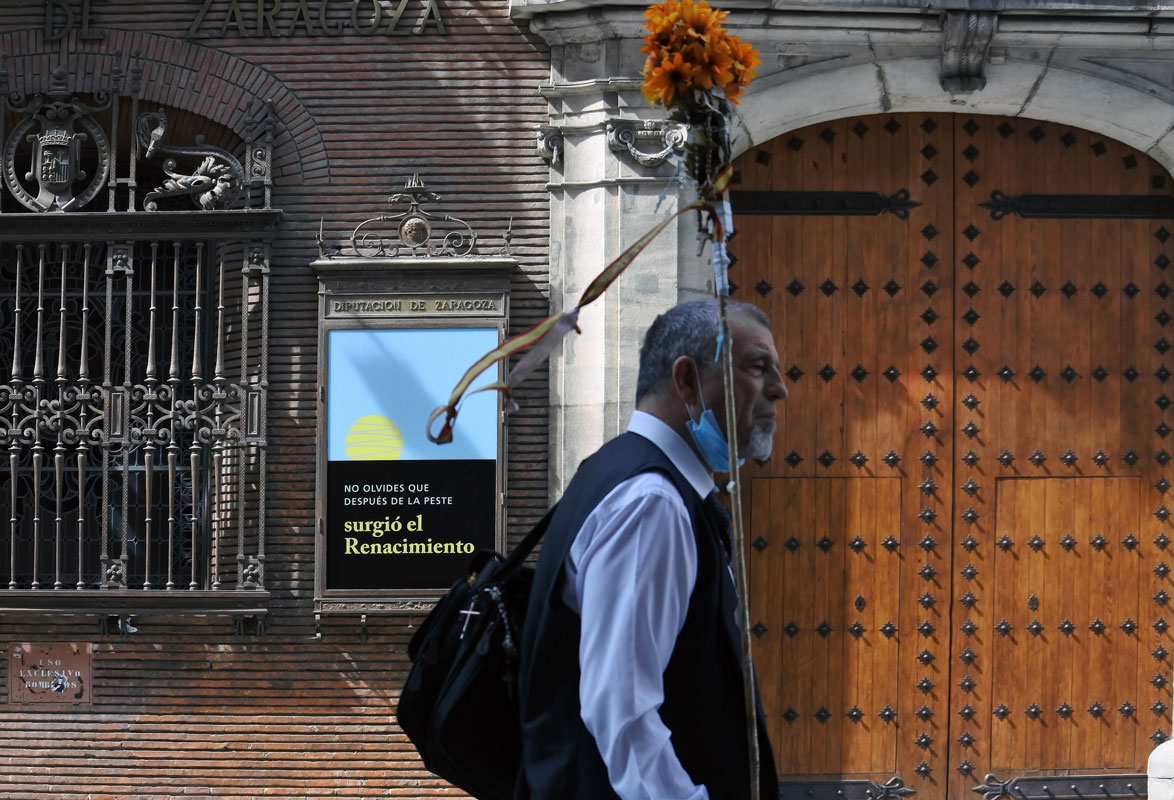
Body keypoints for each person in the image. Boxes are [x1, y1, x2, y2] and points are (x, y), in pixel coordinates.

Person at [516, 298, 787, 800]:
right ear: (686, 381)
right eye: (756, 367)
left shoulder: (620, 470)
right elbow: (621, 708)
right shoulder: (651, 502)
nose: (779, 388)